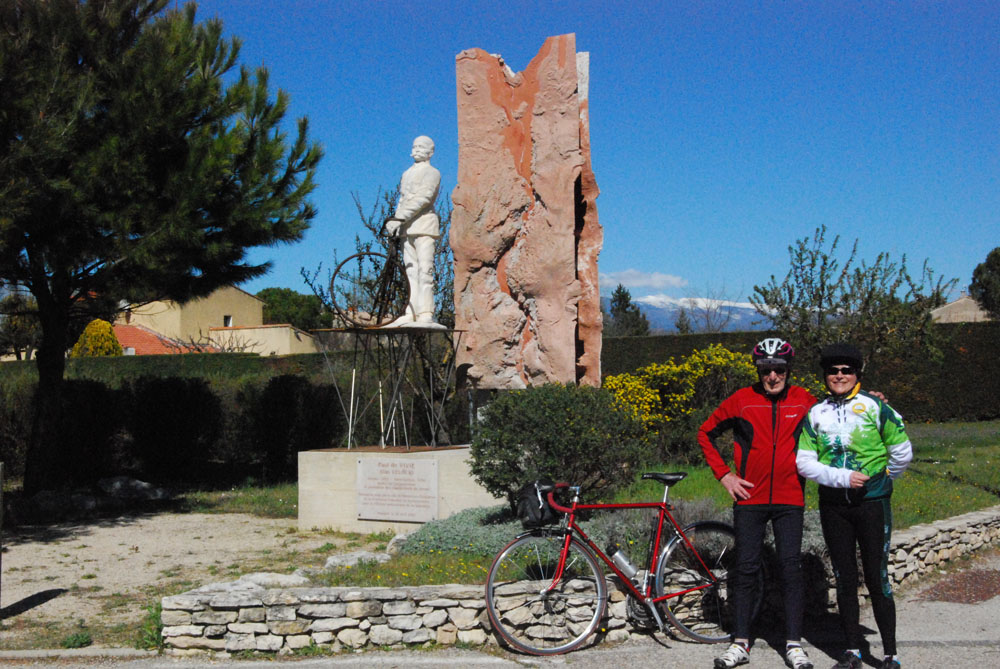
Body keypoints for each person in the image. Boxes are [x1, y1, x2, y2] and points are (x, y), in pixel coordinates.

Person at [698, 338, 816, 669]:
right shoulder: (742, 400)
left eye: (779, 369)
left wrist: (871, 400)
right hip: (749, 498)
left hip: (790, 498)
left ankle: (793, 644)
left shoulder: (805, 401)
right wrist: (724, 476)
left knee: (791, 569)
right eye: (766, 370)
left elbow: (840, 415)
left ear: (788, 370)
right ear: (759, 370)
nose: (773, 377)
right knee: (746, 570)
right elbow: (705, 433)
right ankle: (740, 643)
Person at [796, 343, 912, 669]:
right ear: (825, 375)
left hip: (872, 503)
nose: (839, 376)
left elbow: (902, 450)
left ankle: (890, 654)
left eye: (846, 370)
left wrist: (885, 479)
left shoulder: (874, 406)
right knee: (844, 578)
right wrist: (841, 478)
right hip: (834, 505)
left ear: (857, 373)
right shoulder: (815, 413)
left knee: (878, 578)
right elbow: (805, 463)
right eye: (833, 371)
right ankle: (852, 652)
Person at [383, 135, 442, 327]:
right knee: (410, 272)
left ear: (430, 152)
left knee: (425, 271)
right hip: (406, 228)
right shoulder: (406, 173)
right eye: (414, 146)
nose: (416, 150)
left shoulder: (433, 173)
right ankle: (411, 311)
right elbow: (403, 199)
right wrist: (395, 221)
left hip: (424, 226)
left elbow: (424, 198)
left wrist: (400, 218)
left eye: (421, 147)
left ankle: (426, 312)